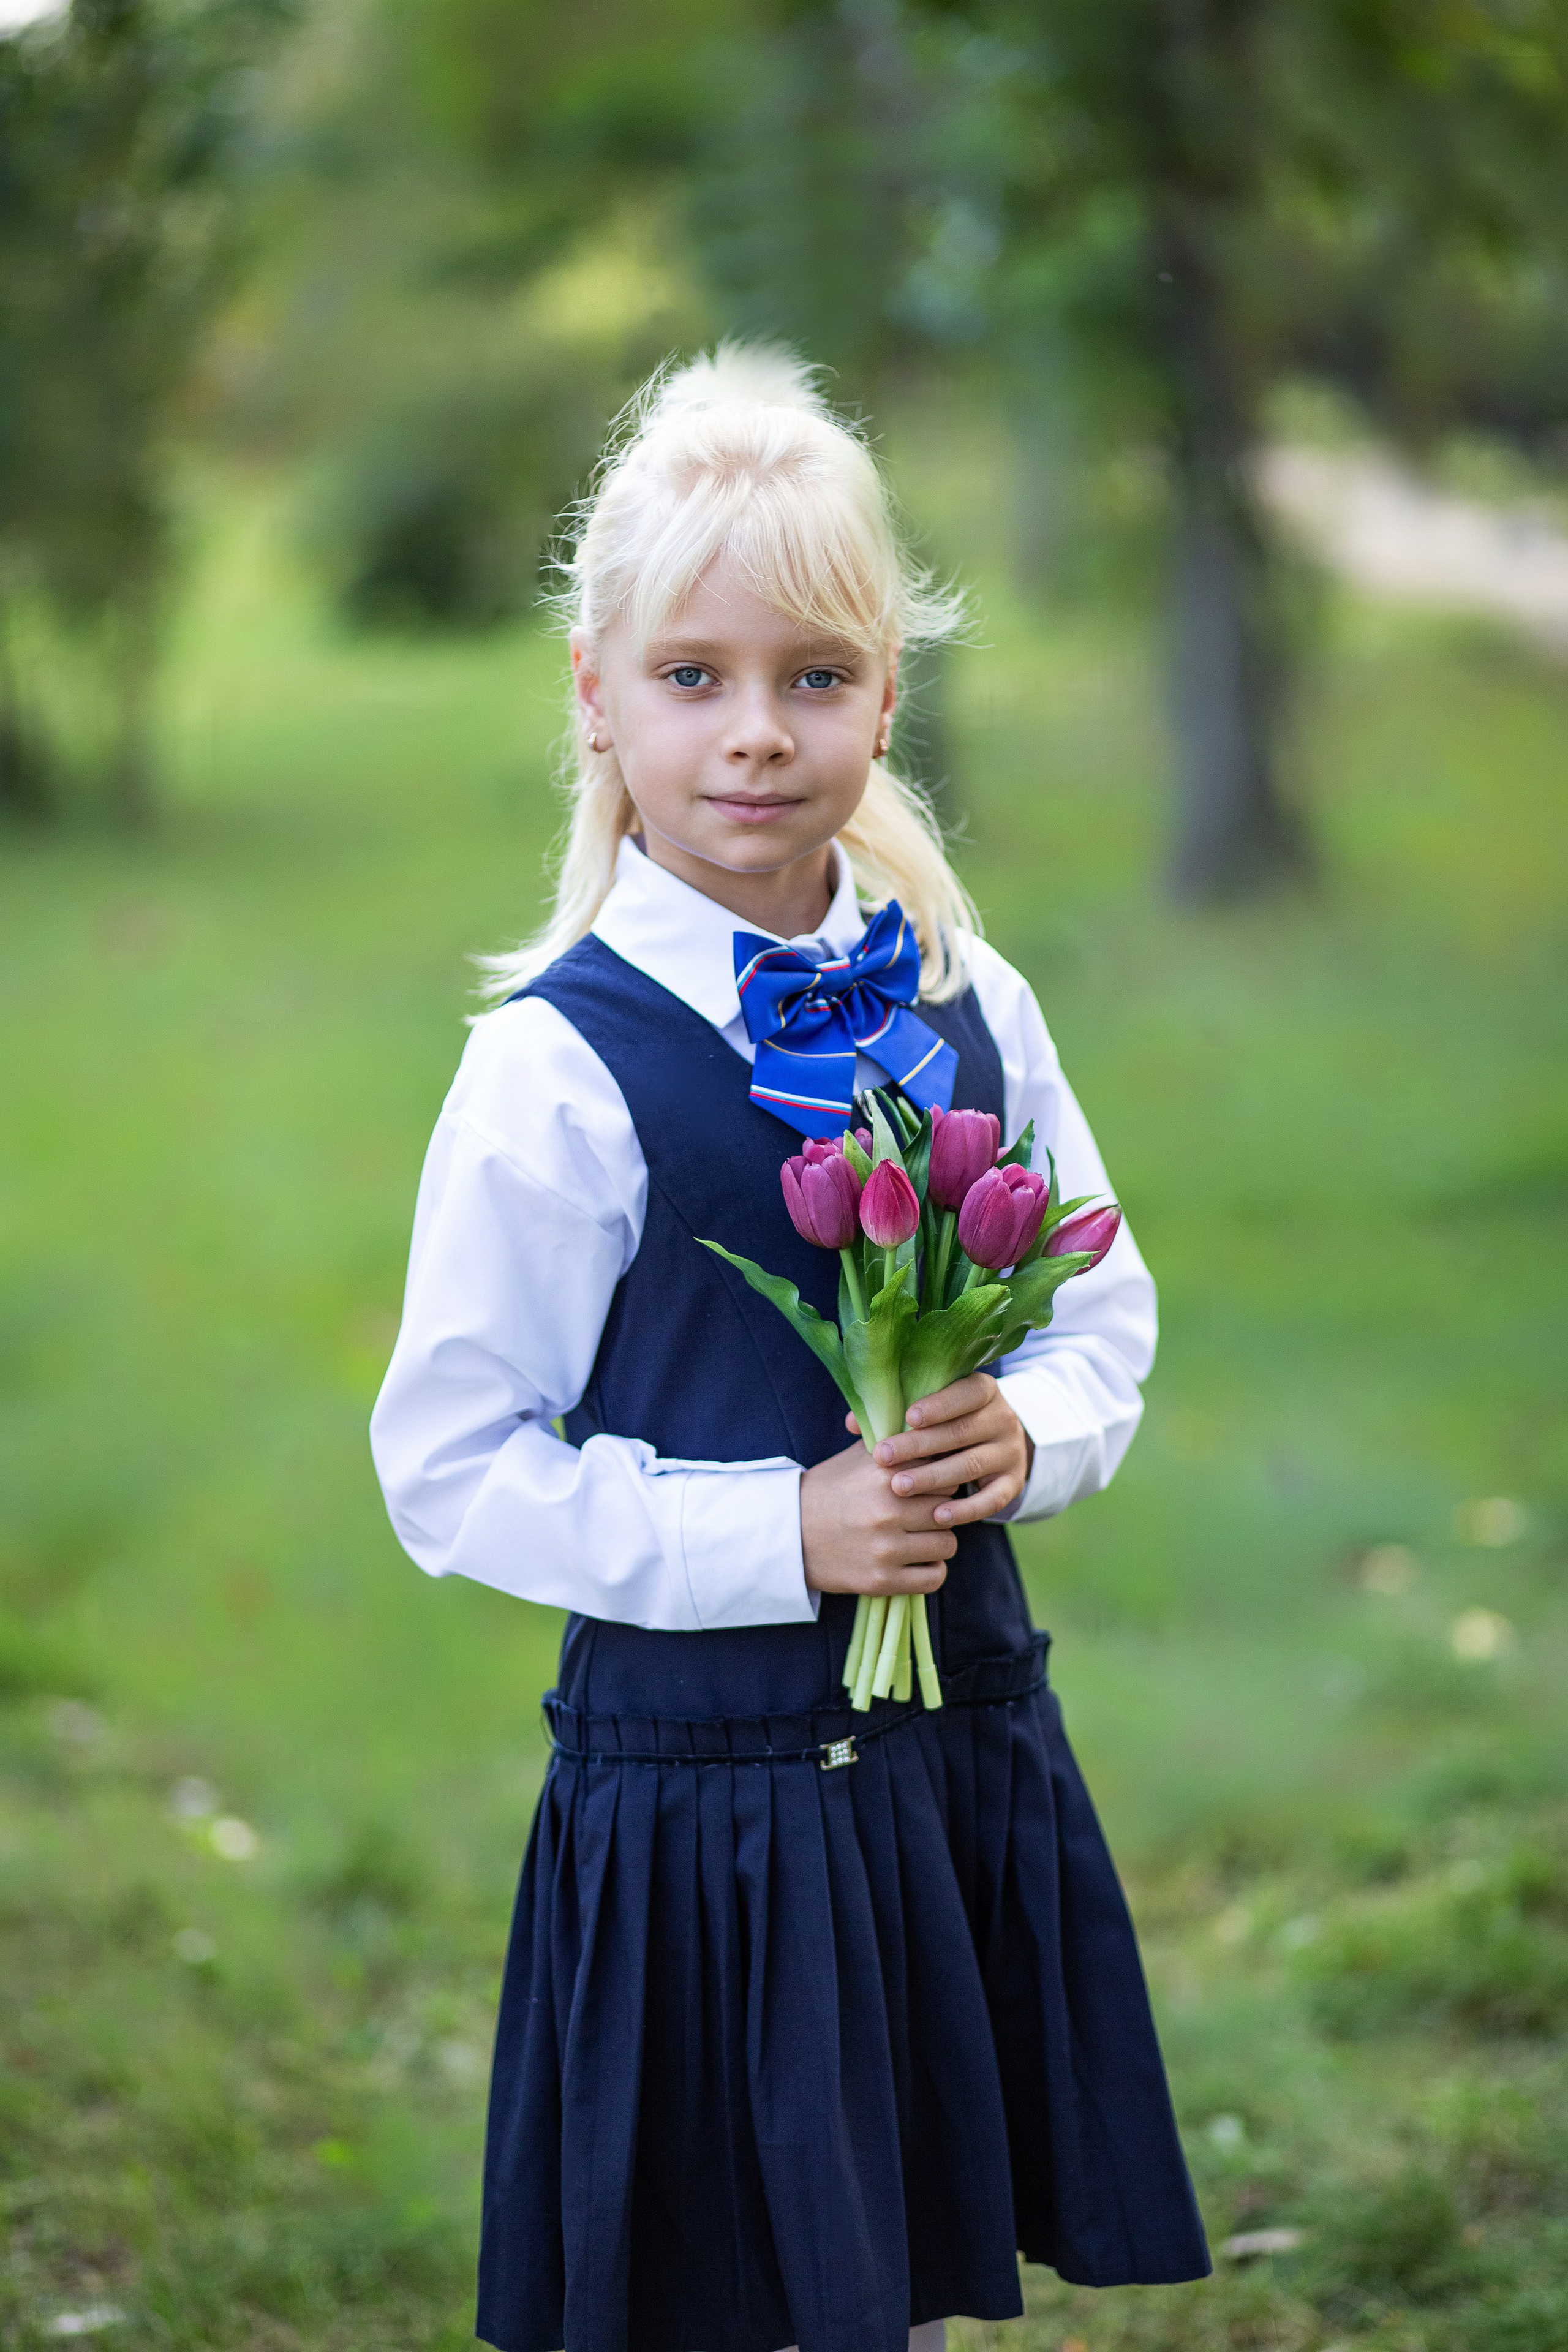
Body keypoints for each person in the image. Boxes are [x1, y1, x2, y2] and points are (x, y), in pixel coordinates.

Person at [370, 345, 1209, 2352]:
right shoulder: (556, 1071)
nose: (757, 732)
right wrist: (783, 1534)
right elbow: (452, 1467)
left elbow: (1101, 1307)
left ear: (885, 699)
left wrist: (1034, 1433)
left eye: (816, 678)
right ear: (598, 693)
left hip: (944, 1743)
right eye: (695, 676)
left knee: (894, 2252)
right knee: (730, 2279)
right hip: (714, 1801)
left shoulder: (970, 994)